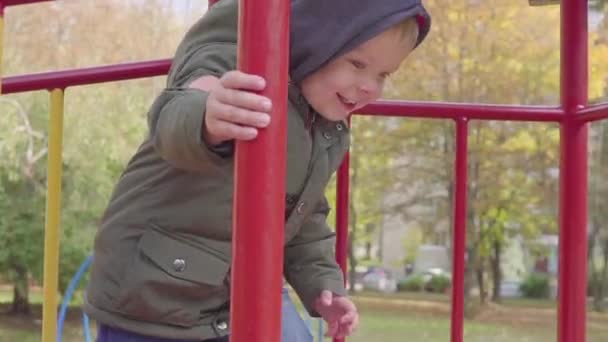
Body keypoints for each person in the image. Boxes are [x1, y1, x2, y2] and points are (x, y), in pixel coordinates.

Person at [84, 0, 431, 341]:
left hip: (241, 290)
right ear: (317, 41)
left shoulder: (320, 126)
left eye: (383, 74)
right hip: (156, 293)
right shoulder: (242, 64)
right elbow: (175, 114)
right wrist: (207, 117)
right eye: (357, 64)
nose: (370, 86)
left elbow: (302, 218)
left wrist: (324, 287)